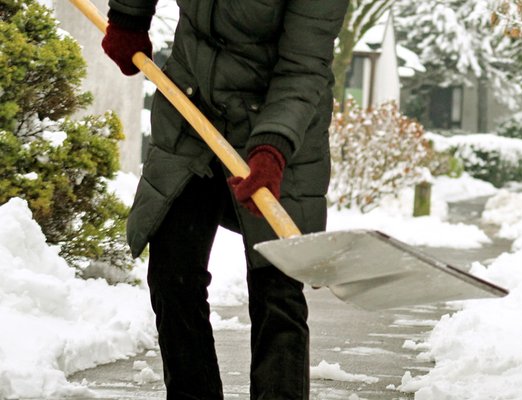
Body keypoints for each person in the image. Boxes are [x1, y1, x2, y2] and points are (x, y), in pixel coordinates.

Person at [101, 1, 348, 398]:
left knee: (276, 290)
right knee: (172, 275)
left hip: (277, 125)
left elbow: (303, 68)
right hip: (191, 104)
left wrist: (273, 147)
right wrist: (130, 16)